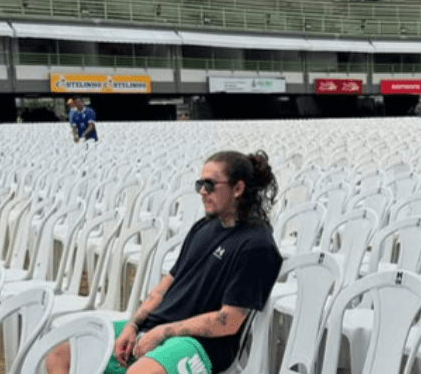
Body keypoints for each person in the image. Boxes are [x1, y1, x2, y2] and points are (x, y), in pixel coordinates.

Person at [45, 151, 283, 374]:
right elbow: (167, 284)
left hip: (202, 344)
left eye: (209, 185)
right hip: (159, 326)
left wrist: (164, 332)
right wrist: (132, 326)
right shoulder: (204, 227)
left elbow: (228, 321)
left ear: (238, 188)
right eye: (199, 184)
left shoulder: (257, 246)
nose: (202, 191)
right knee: (60, 352)